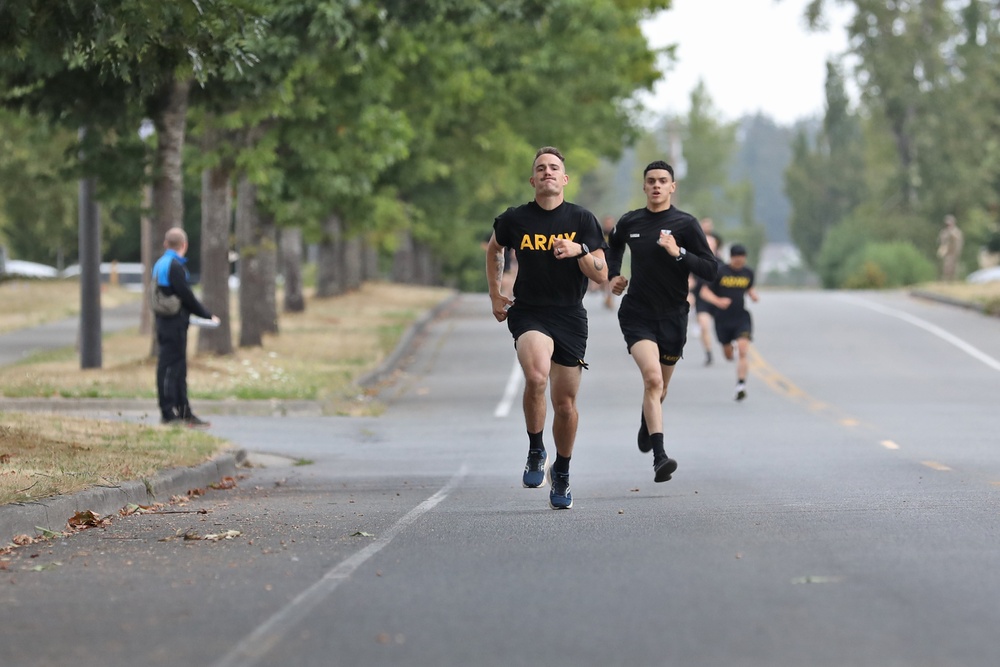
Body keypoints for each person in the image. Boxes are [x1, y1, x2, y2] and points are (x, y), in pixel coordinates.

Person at [486, 146, 608, 510]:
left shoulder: (582, 220)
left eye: (555, 168)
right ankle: (536, 449)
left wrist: (579, 252)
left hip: (570, 315)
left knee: (566, 404)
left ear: (565, 179)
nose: (548, 172)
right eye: (541, 168)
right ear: (533, 180)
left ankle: (564, 471)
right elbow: (495, 249)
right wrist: (495, 293)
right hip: (530, 313)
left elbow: (601, 274)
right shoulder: (516, 219)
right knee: (537, 377)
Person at [606, 161, 719, 483]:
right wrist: (614, 275)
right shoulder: (631, 221)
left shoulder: (685, 224)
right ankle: (660, 457)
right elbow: (613, 245)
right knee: (653, 380)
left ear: (672, 187)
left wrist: (678, 251)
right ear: (644, 187)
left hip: (673, 318)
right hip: (637, 314)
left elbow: (711, 270)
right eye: (651, 181)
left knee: (661, 388)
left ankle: (647, 421)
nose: (656, 185)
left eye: (663, 181)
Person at [152, 227, 220, 427]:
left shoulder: (160, 263)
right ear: (184, 245)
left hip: (165, 323)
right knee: (170, 368)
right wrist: (207, 315)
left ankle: (183, 412)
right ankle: (169, 413)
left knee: (178, 368)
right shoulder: (175, 266)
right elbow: (186, 296)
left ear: (166, 244)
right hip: (173, 324)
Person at [699, 244, 759, 401]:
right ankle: (728, 348)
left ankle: (741, 385)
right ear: (731, 257)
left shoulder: (748, 273)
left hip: (741, 317)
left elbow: (749, 287)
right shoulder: (720, 271)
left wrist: (753, 295)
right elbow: (704, 292)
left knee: (743, 349)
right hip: (722, 319)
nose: (739, 260)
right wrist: (718, 301)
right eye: (736, 257)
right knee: (728, 355)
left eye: (742, 257)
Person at [692, 231, 722, 366]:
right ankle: (709, 353)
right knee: (704, 325)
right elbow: (690, 280)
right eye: (707, 244)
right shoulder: (696, 261)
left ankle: (729, 342)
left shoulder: (722, 264)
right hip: (702, 300)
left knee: (723, 326)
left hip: (719, 299)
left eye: (712, 244)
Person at [937, 214, 963, 282]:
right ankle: (946, 279)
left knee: (954, 267)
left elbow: (959, 241)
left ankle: (953, 280)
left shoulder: (957, 231)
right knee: (946, 266)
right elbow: (942, 240)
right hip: (947, 252)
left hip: (954, 252)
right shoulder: (944, 232)